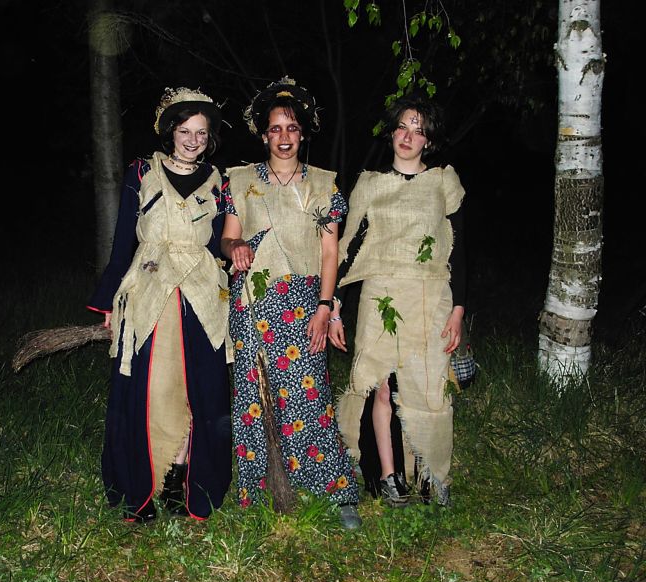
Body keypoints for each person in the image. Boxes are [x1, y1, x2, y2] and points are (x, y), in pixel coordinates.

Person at [221, 77, 362, 529]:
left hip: (303, 303)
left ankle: (333, 490)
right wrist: (235, 247)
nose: (284, 136)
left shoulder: (323, 186)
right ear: (264, 135)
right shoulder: (240, 181)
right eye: (276, 129)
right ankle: (261, 489)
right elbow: (227, 237)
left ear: (302, 133)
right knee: (253, 396)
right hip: (252, 302)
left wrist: (325, 307)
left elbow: (329, 254)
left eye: (292, 128)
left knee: (308, 394)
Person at [87, 87, 232, 522]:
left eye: (201, 133)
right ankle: (144, 482)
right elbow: (122, 241)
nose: (193, 140)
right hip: (151, 288)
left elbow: (222, 242)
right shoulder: (142, 172)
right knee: (150, 387)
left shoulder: (218, 181)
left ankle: (180, 479)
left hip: (201, 292)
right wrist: (110, 301)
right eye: (185, 131)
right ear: (170, 132)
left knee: (196, 387)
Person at [329, 94, 466, 508]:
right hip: (381, 295)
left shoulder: (443, 182)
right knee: (382, 387)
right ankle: (390, 477)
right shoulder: (370, 184)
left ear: (429, 141)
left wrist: (458, 310)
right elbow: (348, 246)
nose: (408, 136)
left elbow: (460, 249)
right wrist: (334, 305)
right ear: (391, 133)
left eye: (418, 130)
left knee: (430, 387)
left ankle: (433, 474)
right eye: (403, 127)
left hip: (430, 295)